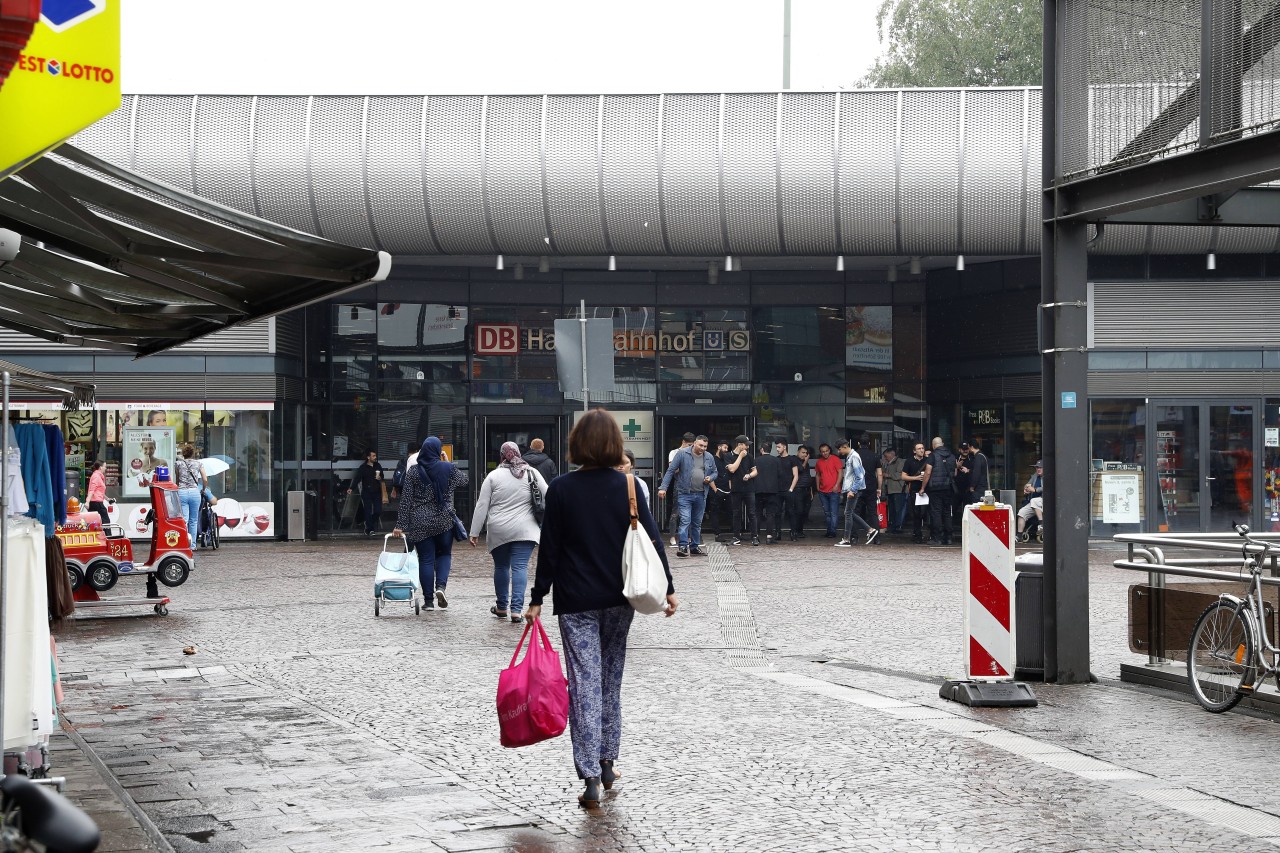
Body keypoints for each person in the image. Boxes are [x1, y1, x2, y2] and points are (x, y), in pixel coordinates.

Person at [525, 408, 677, 809]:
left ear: (577, 444)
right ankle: (608, 762)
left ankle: (590, 772)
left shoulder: (561, 489)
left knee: (585, 682)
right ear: (615, 444)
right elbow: (653, 540)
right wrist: (670, 589)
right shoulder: (628, 484)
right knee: (611, 678)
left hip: (575, 601)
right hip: (618, 597)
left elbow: (551, 549)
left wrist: (538, 598)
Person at [469, 441, 549, 623]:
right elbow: (549, 494)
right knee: (520, 567)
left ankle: (502, 607)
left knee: (502, 567)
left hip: (499, 529)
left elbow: (482, 505)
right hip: (526, 529)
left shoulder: (493, 476)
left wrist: (474, 532)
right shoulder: (531, 472)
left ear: (502, 455)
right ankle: (516, 610)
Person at [392, 437, 468, 610]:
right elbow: (464, 481)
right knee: (444, 555)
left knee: (425, 559)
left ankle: (428, 602)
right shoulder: (448, 469)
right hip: (443, 520)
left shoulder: (413, 471)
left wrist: (400, 524)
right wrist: (448, 463)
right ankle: (440, 587)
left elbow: (406, 500)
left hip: (419, 520)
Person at [658, 434, 718, 557]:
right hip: (685, 493)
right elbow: (670, 471)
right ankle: (683, 547)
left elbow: (715, 472)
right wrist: (663, 487)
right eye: (701, 445)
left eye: (705, 446)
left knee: (697, 522)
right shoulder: (682, 454)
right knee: (685, 520)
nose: (703, 448)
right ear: (694, 443)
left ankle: (695, 547)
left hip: (701, 493)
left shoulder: (709, 457)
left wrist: (710, 477)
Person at [835, 439, 878, 546]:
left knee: (848, 513)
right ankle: (865, 531)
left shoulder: (853, 456)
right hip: (853, 489)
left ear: (845, 446)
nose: (839, 452)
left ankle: (852, 537)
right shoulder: (852, 456)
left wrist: (852, 490)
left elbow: (860, 475)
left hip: (853, 490)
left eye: (839, 449)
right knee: (849, 513)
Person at [923, 436, 958, 546]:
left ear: (933, 445)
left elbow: (928, 472)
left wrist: (923, 488)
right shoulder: (952, 456)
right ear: (942, 443)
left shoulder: (932, 456)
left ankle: (936, 538)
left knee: (936, 512)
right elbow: (955, 473)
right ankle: (948, 538)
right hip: (948, 488)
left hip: (935, 488)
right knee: (947, 512)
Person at [724, 435, 759, 546]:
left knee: (752, 513)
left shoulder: (749, 456)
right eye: (746, 445)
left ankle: (754, 536)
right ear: (740, 444)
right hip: (736, 488)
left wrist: (749, 475)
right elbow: (732, 469)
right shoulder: (728, 456)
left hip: (749, 488)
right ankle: (736, 536)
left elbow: (755, 471)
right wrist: (740, 457)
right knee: (736, 513)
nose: (747, 447)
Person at [173, 444, 208, 549]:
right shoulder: (199, 464)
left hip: (182, 492)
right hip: (194, 492)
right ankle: (192, 545)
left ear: (183, 453)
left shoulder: (178, 464)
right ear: (193, 454)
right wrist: (203, 489)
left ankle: (183, 543)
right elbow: (205, 479)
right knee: (194, 520)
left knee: (184, 519)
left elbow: (177, 480)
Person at [663, 432, 694, 545]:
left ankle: (688, 537)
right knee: (676, 511)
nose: (691, 447)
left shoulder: (692, 453)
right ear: (683, 442)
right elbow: (673, 469)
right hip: (679, 483)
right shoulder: (675, 452)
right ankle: (672, 536)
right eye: (689, 444)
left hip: (691, 483)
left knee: (689, 511)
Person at [348, 450, 385, 537]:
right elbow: (357, 478)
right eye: (373, 456)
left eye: (375, 456)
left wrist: (379, 477)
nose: (375, 457)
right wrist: (351, 488)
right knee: (367, 511)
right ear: (368, 457)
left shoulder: (378, 465)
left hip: (376, 491)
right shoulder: (363, 467)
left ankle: (368, 524)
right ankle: (370, 529)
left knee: (378, 511)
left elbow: (382, 476)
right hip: (367, 492)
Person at [855, 435, 883, 542]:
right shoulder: (875, 456)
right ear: (869, 444)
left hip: (857, 487)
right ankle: (877, 538)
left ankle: (854, 537)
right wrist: (879, 488)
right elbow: (879, 474)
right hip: (871, 487)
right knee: (872, 512)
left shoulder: (854, 455)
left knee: (855, 512)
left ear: (858, 443)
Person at [753, 443, 783, 544]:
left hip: (758, 490)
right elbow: (780, 474)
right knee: (770, 514)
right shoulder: (776, 460)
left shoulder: (756, 460)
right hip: (772, 491)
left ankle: (756, 536)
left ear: (762, 449)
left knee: (757, 514)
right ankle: (769, 537)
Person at [900, 442, 930, 542]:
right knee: (916, 513)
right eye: (919, 449)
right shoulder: (909, 461)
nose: (921, 450)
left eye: (922, 448)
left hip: (927, 490)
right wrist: (916, 478)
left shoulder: (928, 460)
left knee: (926, 513)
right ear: (914, 451)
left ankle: (929, 533)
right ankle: (917, 534)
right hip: (914, 490)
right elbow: (903, 476)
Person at [814, 443, 844, 538]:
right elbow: (818, 475)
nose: (825, 453)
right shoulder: (819, 462)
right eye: (823, 452)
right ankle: (829, 530)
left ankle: (833, 531)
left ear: (829, 450)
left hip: (834, 490)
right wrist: (817, 487)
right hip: (823, 491)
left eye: (826, 451)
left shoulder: (835, 459)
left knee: (833, 512)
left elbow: (840, 473)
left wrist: (836, 485)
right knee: (827, 512)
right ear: (820, 452)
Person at [774, 440, 801, 541]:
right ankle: (778, 532)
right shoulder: (776, 460)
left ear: (784, 447)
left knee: (791, 512)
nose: (777, 449)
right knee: (777, 512)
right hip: (778, 490)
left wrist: (791, 489)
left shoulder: (792, 459)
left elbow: (796, 475)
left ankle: (793, 532)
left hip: (788, 490)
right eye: (776, 447)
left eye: (779, 447)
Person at [1017, 460, 1045, 538]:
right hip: (1034, 504)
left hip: (1045, 502)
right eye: (1037, 468)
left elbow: (1048, 487)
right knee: (1021, 513)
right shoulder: (1035, 475)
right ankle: (1019, 536)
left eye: (1040, 468)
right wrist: (1026, 489)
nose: (1038, 469)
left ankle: (1041, 525)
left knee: (1034, 500)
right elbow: (1028, 484)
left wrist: (1035, 490)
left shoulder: (1048, 476)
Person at [792, 445, 815, 539]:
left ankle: (800, 530)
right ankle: (796, 531)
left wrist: (811, 491)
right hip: (798, 489)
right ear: (798, 452)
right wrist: (806, 460)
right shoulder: (794, 460)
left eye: (806, 453)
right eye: (803, 452)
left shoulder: (807, 464)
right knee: (799, 511)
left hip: (806, 489)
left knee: (804, 511)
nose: (805, 455)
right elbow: (800, 470)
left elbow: (808, 476)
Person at [881, 447, 905, 534]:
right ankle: (892, 525)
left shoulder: (900, 462)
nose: (885, 458)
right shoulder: (886, 463)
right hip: (889, 489)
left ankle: (898, 526)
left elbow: (900, 475)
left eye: (886, 456)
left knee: (898, 509)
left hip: (898, 489)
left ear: (892, 454)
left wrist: (888, 475)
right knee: (891, 509)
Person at [964, 438, 990, 504]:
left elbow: (976, 473)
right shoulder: (983, 456)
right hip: (984, 487)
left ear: (972, 447)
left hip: (979, 489)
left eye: (968, 447)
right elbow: (981, 471)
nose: (968, 449)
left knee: (977, 508)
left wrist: (972, 486)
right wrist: (969, 471)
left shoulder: (978, 457)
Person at [86, 460, 109, 527]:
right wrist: (87, 501)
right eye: (105, 466)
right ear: (100, 467)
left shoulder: (97, 476)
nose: (105, 468)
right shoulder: (96, 476)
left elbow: (98, 491)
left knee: (94, 522)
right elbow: (92, 490)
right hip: (97, 503)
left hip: (95, 503)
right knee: (105, 521)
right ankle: (107, 536)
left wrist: (107, 499)